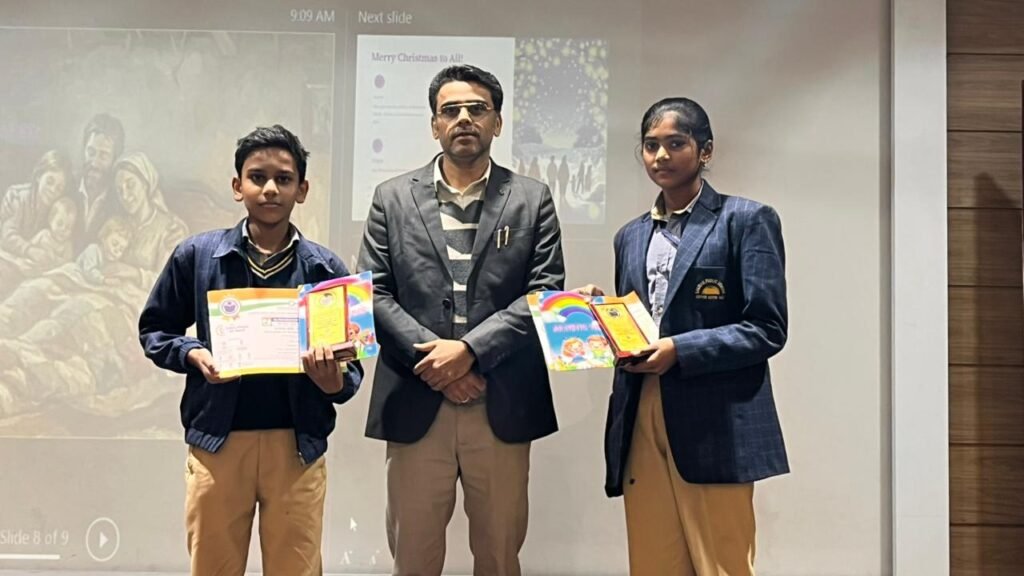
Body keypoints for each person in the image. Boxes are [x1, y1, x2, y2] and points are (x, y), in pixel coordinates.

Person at [358, 64, 565, 576]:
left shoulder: (532, 197)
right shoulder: (391, 197)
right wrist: (439, 365)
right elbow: (374, 293)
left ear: (497, 122)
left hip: (500, 398)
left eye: (477, 109)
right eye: (450, 110)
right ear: (435, 125)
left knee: (499, 555)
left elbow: (544, 292)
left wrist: (470, 353)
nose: (464, 118)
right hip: (417, 395)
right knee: (413, 556)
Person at [138, 125, 362, 576]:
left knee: (296, 569)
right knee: (213, 568)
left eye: (284, 178)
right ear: (238, 186)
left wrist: (331, 379)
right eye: (258, 177)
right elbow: (155, 329)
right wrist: (192, 353)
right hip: (218, 444)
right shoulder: (197, 255)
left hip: (297, 447)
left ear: (302, 189)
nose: (270, 188)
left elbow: (350, 374)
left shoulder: (327, 269)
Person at [582, 97, 789, 576]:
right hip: (640, 409)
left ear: (705, 150)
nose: (661, 155)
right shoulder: (629, 236)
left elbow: (767, 328)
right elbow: (640, 323)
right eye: (650, 145)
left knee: (722, 565)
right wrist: (600, 313)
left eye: (675, 143)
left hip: (714, 418)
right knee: (652, 564)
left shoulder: (745, 219)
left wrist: (680, 350)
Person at [0, 149, 74, 264]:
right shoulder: (19, 197)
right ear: (39, 176)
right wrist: (30, 250)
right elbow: (6, 235)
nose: (52, 190)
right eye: (49, 182)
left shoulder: (57, 208)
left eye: (59, 188)